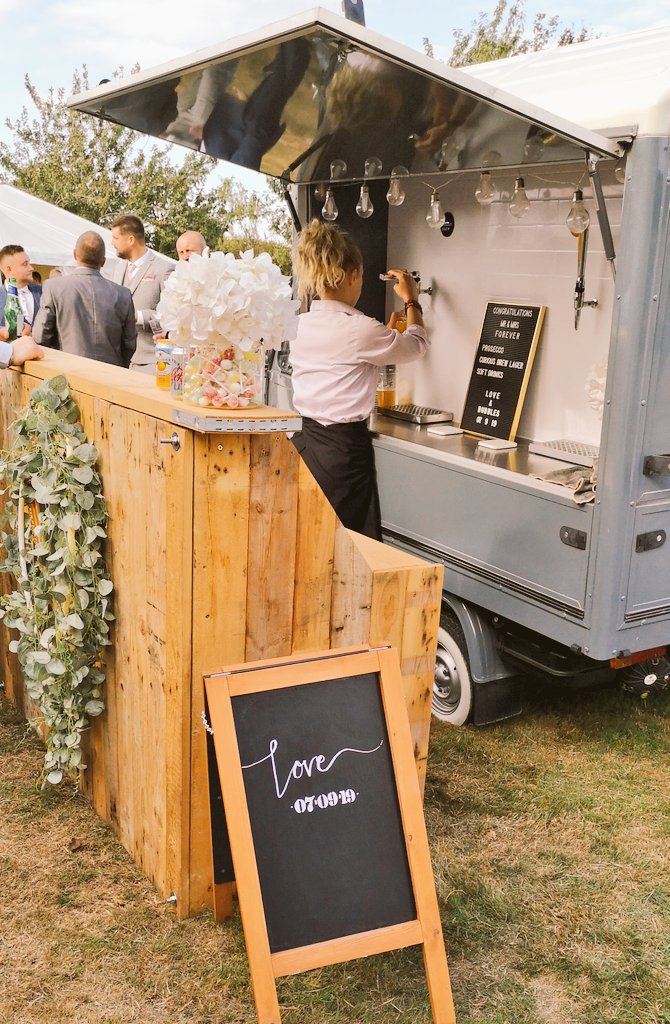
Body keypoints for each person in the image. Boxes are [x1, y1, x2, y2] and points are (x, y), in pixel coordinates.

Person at [290, 220, 430, 540]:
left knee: (312, 538)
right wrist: (412, 300)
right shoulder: (360, 329)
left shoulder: (300, 324)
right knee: (350, 545)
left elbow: (344, 355)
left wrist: (381, 330)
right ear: (352, 276)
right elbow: (417, 345)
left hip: (306, 443)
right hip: (344, 453)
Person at [32, 231, 136, 367]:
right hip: (111, 375)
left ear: (75, 254)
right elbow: (130, 344)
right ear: (103, 261)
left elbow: (40, 337)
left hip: (67, 372)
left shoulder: (54, 287)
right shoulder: (123, 294)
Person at [110, 214, 174, 373]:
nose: (112, 243)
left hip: (151, 361)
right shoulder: (118, 269)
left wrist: (138, 316)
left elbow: (170, 319)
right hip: (119, 359)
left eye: (116, 238)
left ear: (130, 240)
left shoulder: (165, 269)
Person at [0, 245, 42, 329]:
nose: (31, 268)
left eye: (29, 263)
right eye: (25, 264)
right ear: (9, 269)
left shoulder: (44, 293)